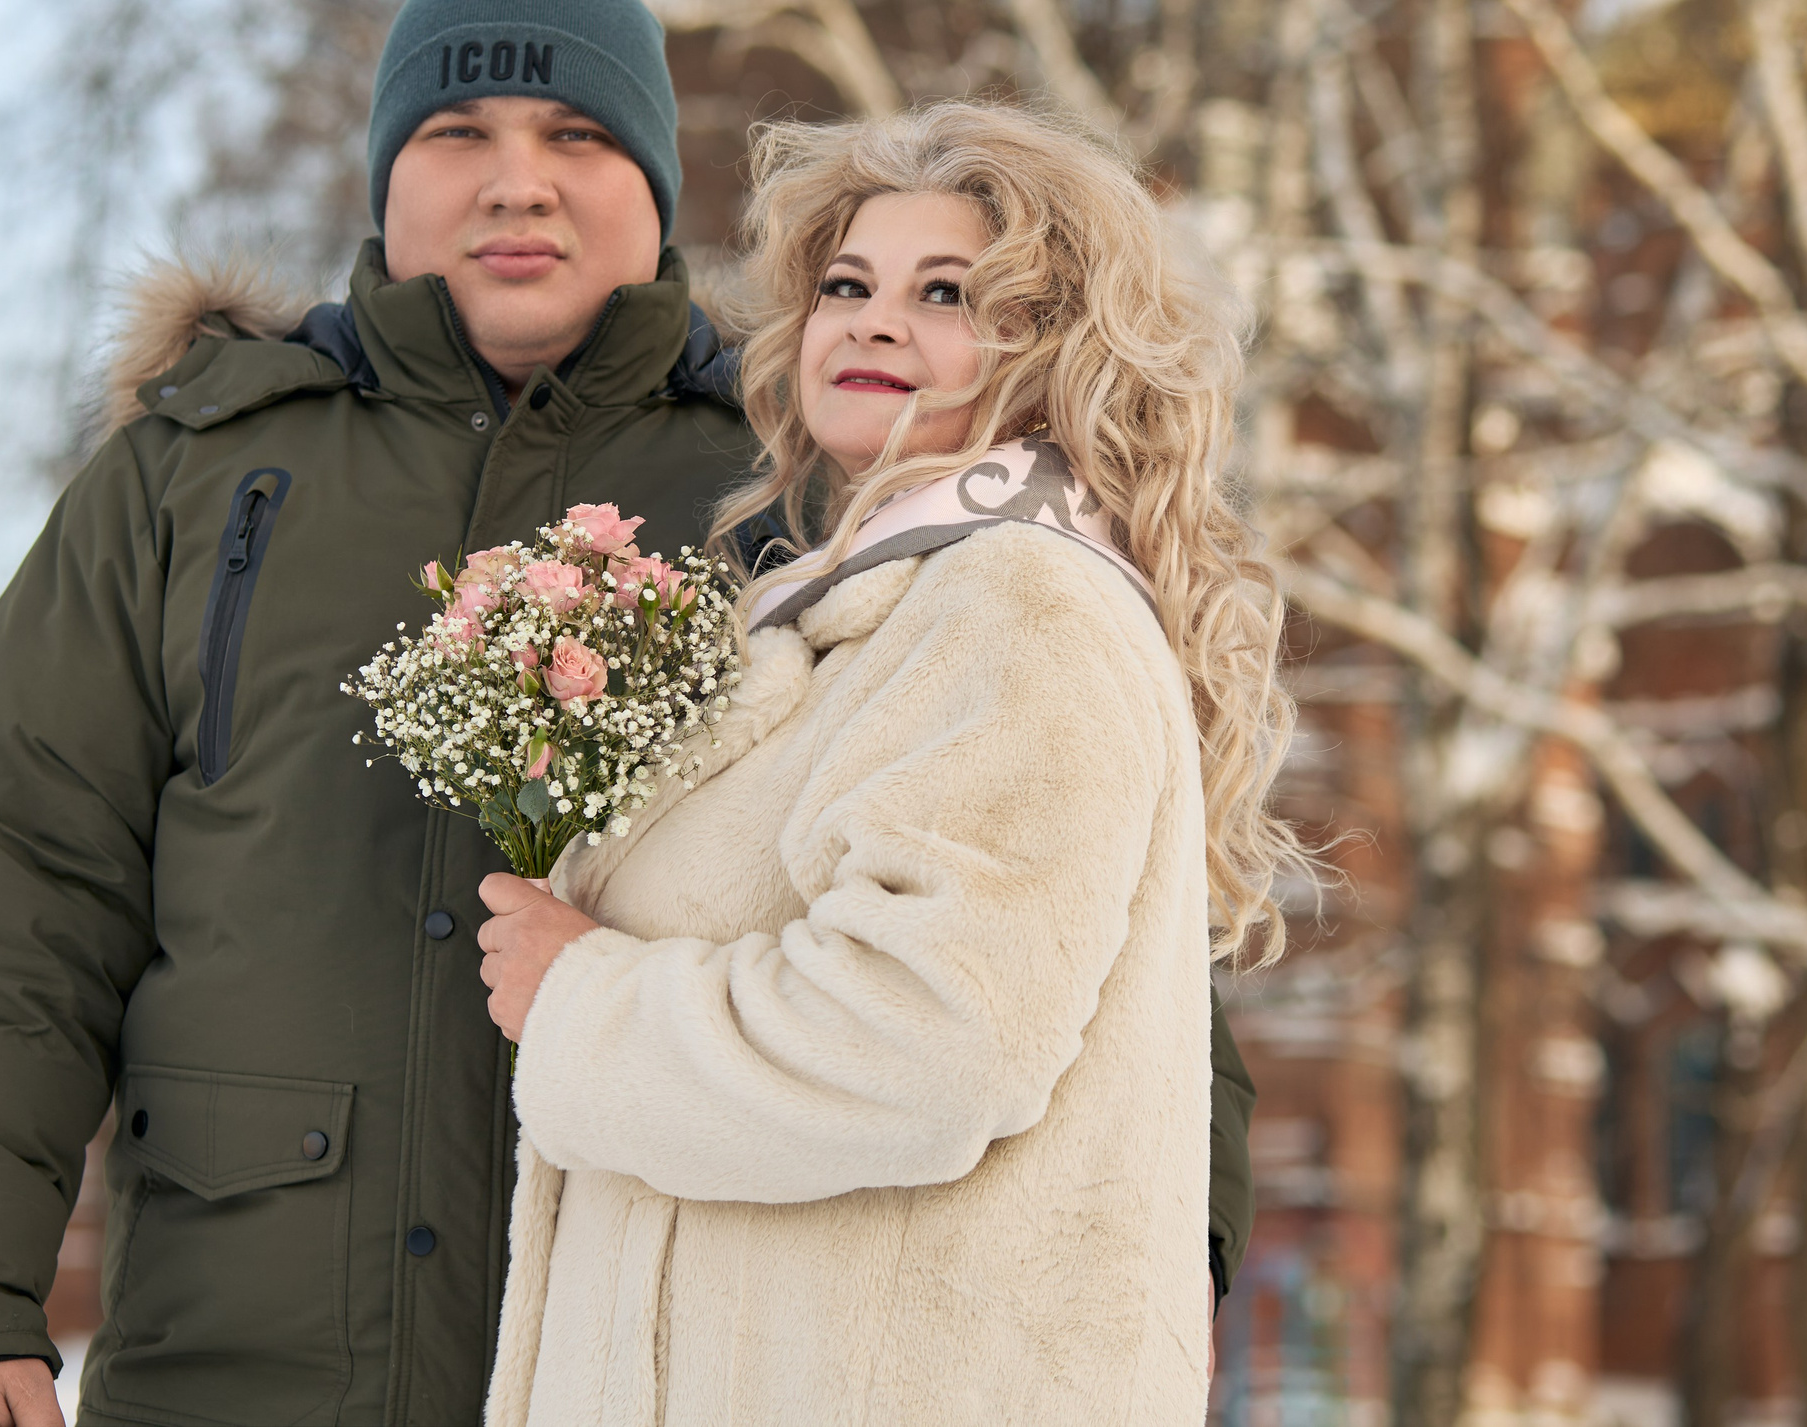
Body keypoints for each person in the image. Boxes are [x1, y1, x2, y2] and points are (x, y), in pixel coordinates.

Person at [0, 0, 1257, 1427]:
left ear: (653, 188)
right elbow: (13, 890)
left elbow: (1083, 923)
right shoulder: (199, 478)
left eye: (577, 137)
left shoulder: (805, 484)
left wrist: (1173, 1259)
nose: (518, 181)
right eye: (459, 135)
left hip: (671, 1363)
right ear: (387, 186)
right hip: (245, 1367)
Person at [472, 102, 1306, 1424]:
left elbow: (931, 1040)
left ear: (1055, 351)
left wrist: (584, 1001)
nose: (870, 320)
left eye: (948, 294)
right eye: (847, 286)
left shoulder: (1018, 608)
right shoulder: (867, 613)